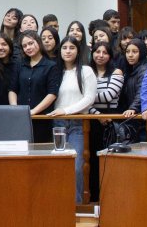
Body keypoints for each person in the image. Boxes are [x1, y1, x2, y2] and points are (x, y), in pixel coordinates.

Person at [47, 36, 96, 204]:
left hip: (78, 123)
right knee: (57, 167)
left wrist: (65, 111)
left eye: (72, 48)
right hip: (57, 124)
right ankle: (60, 205)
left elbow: (89, 98)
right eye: (64, 48)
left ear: (78, 50)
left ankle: (76, 207)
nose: (68, 51)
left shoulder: (86, 71)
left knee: (76, 167)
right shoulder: (55, 71)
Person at [10, 30, 61, 143]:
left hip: (43, 119)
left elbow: (52, 93)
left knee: (41, 154)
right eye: (24, 45)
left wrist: (33, 111)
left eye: (31, 43)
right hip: (21, 118)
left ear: (39, 42)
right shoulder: (19, 65)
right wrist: (15, 108)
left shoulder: (51, 66)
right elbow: (12, 89)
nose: (28, 47)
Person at [88, 40, 123, 198]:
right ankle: (95, 196)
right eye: (97, 52)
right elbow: (81, 102)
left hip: (111, 120)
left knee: (109, 160)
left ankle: (111, 196)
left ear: (110, 56)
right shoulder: (86, 72)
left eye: (104, 52)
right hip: (91, 120)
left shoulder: (116, 72)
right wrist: (96, 114)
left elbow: (109, 95)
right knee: (92, 160)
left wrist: (86, 99)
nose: (100, 55)